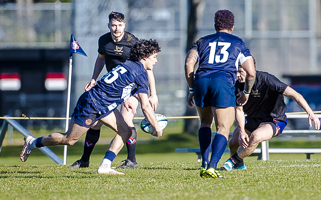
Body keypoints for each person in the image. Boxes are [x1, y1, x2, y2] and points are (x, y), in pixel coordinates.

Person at [20, 39, 163, 175]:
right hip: (92, 104)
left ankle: (105, 166)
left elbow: (120, 85)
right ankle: (33, 142)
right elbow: (145, 106)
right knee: (69, 140)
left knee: (126, 131)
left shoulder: (129, 64)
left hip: (104, 104)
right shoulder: (141, 73)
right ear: (144, 56)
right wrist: (156, 128)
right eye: (154, 57)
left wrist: (126, 98)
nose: (156, 61)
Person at [70, 11, 159, 169]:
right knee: (95, 124)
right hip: (111, 88)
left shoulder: (133, 42)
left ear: (124, 25)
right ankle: (84, 160)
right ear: (108, 25)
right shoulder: (104, 40)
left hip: (131, 88)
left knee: (126, 122)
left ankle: (131, 160)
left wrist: (153, 94)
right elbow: (101, 59)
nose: (116, 28)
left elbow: (147, 69)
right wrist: (93, 79)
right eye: (113, 25)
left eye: (119, 25)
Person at [184, 9, 256, 179]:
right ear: (232, 26)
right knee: (223, 127)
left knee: (205, 123)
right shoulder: (238, 42)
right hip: (222, 82)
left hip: (201, 80)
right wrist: (246, 92)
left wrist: (192, 89)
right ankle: (212, 167)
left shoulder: (201, 41)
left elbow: (189, 63)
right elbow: (251, 72)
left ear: (215, 25)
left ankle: (204, 163)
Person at [221, 64, 321, 171]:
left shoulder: (267, 80)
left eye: (240, 72)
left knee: (256, 136)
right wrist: (241, 131)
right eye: (236, 71)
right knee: (233, 142)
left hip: (274, 120)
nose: (237, 75)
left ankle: (232, 161)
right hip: (253, 119)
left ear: (251, 71)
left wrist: (310, 113)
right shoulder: (238, 86)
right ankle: (239, 166)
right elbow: (239, 110)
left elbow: (295, 95)